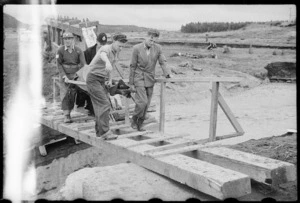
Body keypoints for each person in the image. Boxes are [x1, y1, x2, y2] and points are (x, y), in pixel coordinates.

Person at [86, 33, 128, 140]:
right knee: (104, 104)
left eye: (123, 46)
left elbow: (111, 68)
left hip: (101, 80)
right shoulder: (106, 48)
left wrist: (109, 79)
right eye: (119, 45)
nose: (121, 48)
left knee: (100, 105)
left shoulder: (115, 53)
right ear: (114, 42)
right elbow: (102, 55)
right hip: (93, 79)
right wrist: (107, 62)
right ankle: (105, 132)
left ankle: (99, 132)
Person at [129, 29, 172, 131]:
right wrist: (131, 83)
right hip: (139, 77)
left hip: (150, 78)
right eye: (150, 40)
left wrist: (167, 73)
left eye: (154, 41)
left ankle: (140, 123)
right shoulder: (136, 48)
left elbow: (163, 62)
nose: (152, 43)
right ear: (146, 37)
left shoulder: (158, 48)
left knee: (147, 104)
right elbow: (132, 66)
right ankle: (134, 119)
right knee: (142, 102)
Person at [56, 31, 86, 123]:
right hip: (65, 76)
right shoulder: (60, 50)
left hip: (75, 76)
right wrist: (64, 76)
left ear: (73, 39)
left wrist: (79, 76)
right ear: (63, 40)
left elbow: (83, 64)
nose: (67, 41)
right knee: (65, 94)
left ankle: (81, 109)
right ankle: (66, 115)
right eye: (65, 39)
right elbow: (59, 64)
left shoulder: (78, 50)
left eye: (69, 39)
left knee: (76, 93)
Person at [75, 33, 108, 116]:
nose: (102, 46)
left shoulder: (107, 51)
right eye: (100, 43)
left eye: (104, 44)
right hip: (88, 75)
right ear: (97, 41)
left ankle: (97, 109)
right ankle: (86, 106)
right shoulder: (89, 52)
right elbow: (84, 65)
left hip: (101, 75)